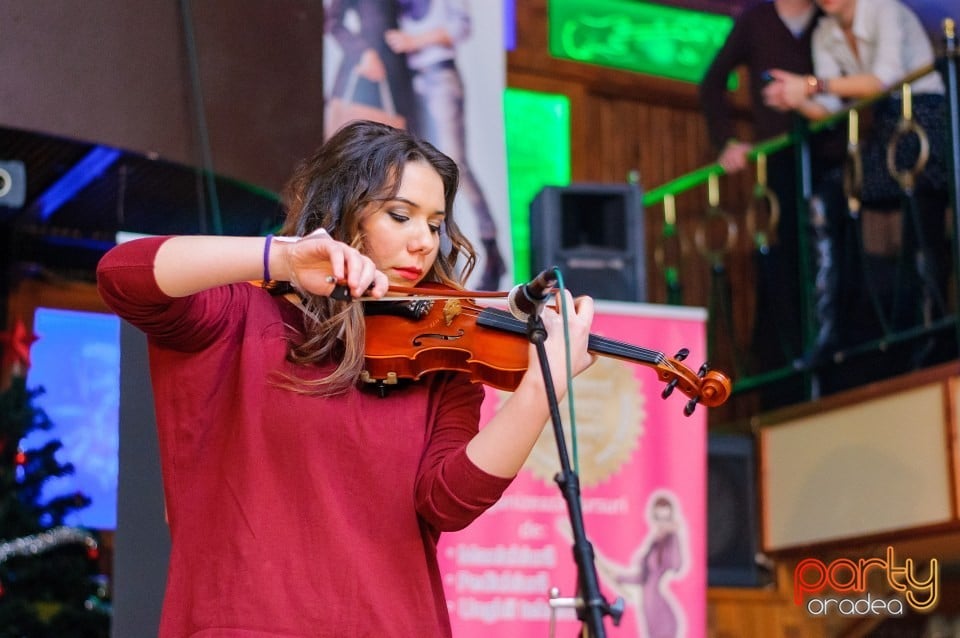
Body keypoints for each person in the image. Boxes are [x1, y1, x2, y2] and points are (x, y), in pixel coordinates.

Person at [96, 120, 596, 637]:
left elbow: (447, 502)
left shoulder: (440, 358)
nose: (424, 242)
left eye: (435, 224)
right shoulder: (238, 314)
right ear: (339, 210)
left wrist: (542, 388)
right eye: (400, 216)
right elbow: (122, 276)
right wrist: (284, 256)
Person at [763, 0, 950, 366]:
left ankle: (933, 335)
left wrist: (812, 85)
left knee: (921, 218)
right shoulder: (824, 32)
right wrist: (796, 97)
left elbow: (884, 78)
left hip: (925, 121)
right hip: (886, 131)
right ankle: (831, 335)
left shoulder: (884, 9)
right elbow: (833, 107)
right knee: (827, 200)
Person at [699, 0, 847, 405]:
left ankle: (831, 372)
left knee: (833, 263)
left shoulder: (828, 17)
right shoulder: (757, 20)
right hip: (781, 161)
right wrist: (727, 140)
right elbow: (712, 83)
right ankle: (787, 381)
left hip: (830, 158)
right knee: (784, 265)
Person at [384, 0, 507, 291]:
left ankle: (489, 247)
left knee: (453, 166)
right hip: (407, 79)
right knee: (415, 171)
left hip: (439, 75)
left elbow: (460, 27)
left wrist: (414, 41)